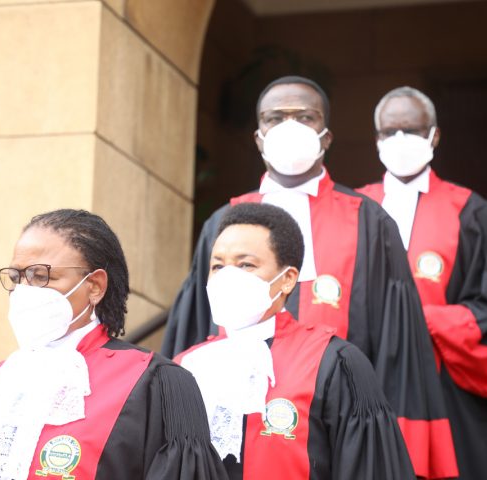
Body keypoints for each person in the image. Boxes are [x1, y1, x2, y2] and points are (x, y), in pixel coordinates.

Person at [163, 75, 458, 479]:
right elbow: (196, 328)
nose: (290, 127)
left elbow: (397, 344)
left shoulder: (370, 221)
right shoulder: (224, 223)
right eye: (275, 118)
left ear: (326, 135)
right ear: (258, 136)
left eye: (304, 116)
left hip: (343, 426)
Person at [0, 209, 227, 480]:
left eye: (41, 276)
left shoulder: (157, 384)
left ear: (95, 286)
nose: (23, 291)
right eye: (16, 278)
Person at [358, 86, 487, 479]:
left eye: (412, 129)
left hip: (448, 388)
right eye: (390, 131)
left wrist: (422, 321)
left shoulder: (471, 212)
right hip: (369, 387)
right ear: (377, 139)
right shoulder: (354, 210)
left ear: (435, 135)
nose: (400, 140)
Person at [175, 202, 415, 479]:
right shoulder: (186, 365)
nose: (228, 276)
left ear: (288, 279)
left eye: (246, 264)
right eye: (217, 266)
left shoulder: (334, 362)